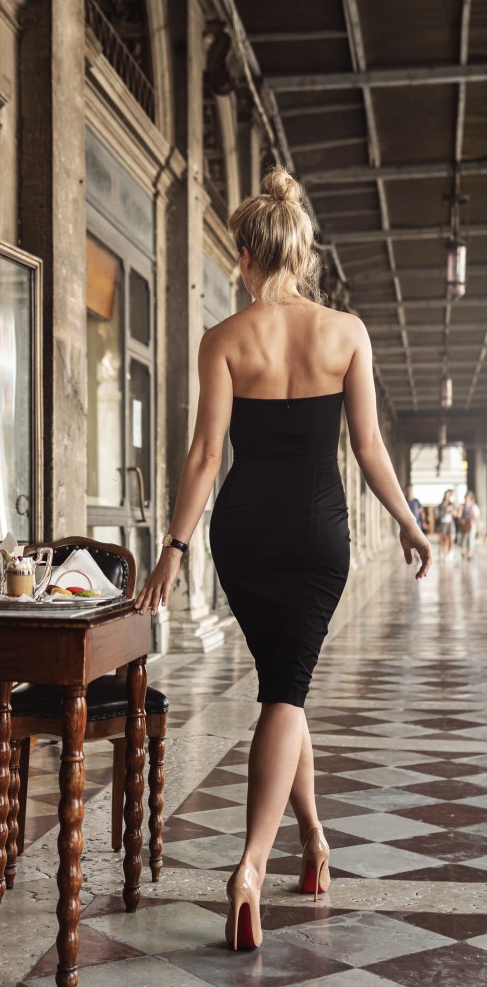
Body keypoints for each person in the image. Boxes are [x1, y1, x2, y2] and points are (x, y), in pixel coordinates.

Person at [134, 167, 431, 952]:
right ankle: (250, 869)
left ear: (243, 254)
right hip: (316, 535)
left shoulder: (223, 339)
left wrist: (173, 549)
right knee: (285, 691)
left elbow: (204, 455)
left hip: (243, 534)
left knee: (282, 687)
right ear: (300, 254)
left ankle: (313, 838)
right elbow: (367, 448)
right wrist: (408, 524)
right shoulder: (346, 333)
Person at [459, 490, 480, 560]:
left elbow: (476, 517)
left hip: (471, 524)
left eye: (468, 498)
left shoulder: (473, 506)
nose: (466, 499)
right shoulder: (462, 506)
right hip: (464, 525)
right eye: (466, 498)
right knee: (463, 539)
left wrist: (477, 526)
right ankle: (463, 551)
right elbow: (459, 516)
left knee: (470, 539)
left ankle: (469, 554)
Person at [436, 489, 455, 560]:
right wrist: (444, 511)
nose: (448, 496)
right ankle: (445, 553)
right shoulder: (441, 505)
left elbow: (456, 513)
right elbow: (437, 514)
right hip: (443, 523)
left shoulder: (452, 504)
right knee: (443, 539)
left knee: (451, 539)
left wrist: (452, 512)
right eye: (447, 494)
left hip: (450, 523)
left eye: (449, 494)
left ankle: (448, 552)